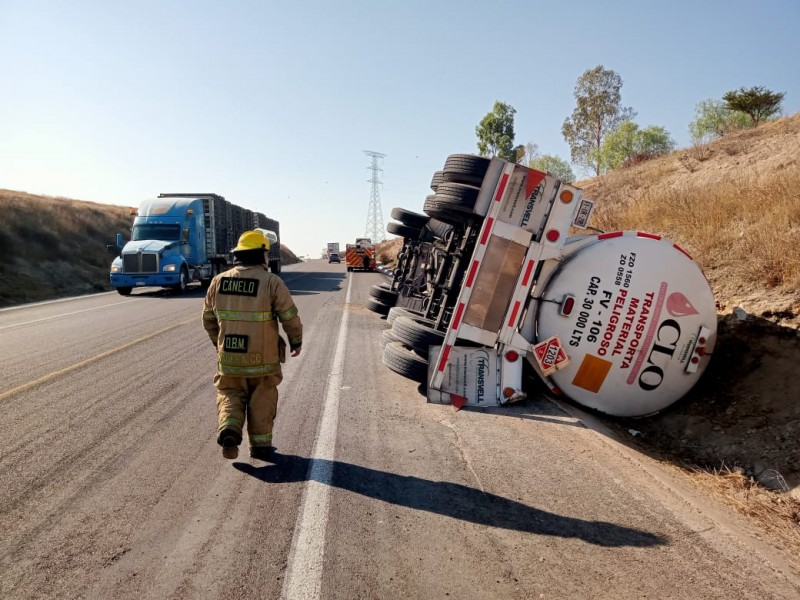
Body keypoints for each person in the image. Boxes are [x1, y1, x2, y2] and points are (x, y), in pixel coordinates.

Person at [202, 230, 302, 461]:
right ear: (261, 255)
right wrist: (296, 341)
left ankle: (230, 428)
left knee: (230, 393)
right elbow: (290, 318)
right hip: (262, 360)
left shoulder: (218, 281)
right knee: (262, 398)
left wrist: (219, 344)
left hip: (229, 359)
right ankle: (260, 447)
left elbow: (207, 319)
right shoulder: (271, 282)